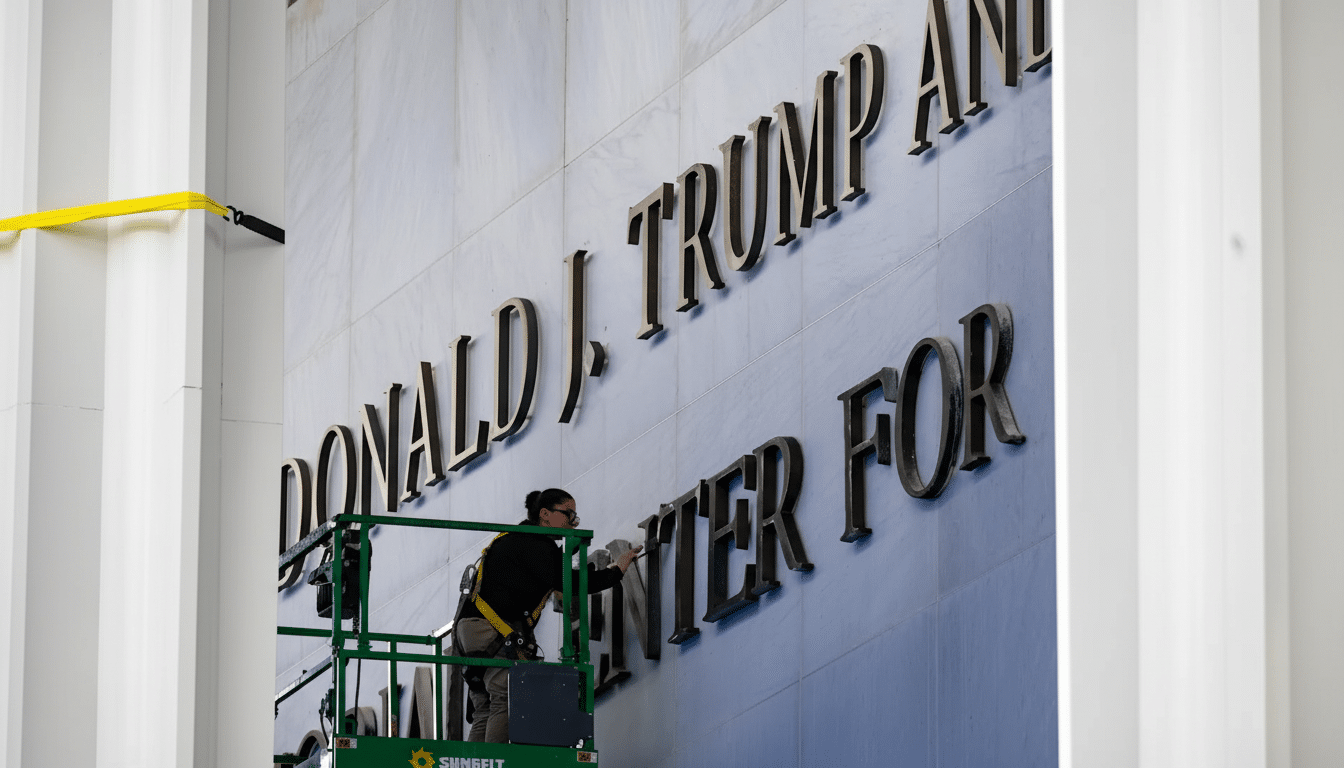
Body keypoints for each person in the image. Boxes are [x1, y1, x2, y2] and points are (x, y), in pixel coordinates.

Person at [454, 488, 642, 743]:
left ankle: (476, 762)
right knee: (506, 698)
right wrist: (615, 571)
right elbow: (568, 581)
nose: (574, 522)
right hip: (490, 629)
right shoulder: (534, 542)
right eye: (569, 514)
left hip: (471, 632)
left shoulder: (516, 539)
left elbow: (545, 571)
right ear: (545, 514)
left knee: (485, 706)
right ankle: (494, 763)